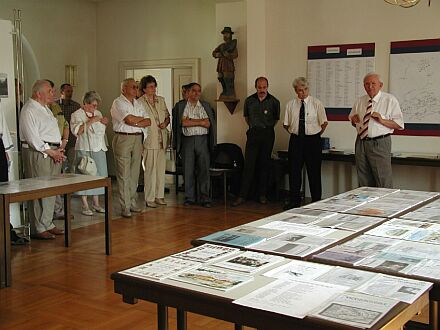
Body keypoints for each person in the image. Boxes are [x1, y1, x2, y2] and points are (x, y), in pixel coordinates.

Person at [19, 80, 65, 239]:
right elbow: (33, 138)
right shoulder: (29, 110)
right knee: (39, 189)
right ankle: (38, 227)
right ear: (39, 93)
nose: (53, 94)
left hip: (52, 152)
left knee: (51, 190)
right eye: (50, 91)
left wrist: (58, 149)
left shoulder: (46, 108)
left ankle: (48, 222)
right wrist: (51, 152)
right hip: (38, 153)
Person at [349, 72, 404, 188]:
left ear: (380, 85)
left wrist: (382, 120)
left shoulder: (389, 100)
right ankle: (367, 206)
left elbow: (399, 124)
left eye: (373, 83)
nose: (370, 87)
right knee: (363, 179)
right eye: (367, 84)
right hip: (361, 142)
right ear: (364, 86)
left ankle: (384, 206)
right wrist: (353, 120)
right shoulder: (360, 101)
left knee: (382, 179)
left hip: (379, 143)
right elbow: (354, 122)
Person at [232, 77, 280, 206]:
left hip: (267, 133)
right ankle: (242, 196)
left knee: (264, 164)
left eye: (264, 87)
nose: (262, 90)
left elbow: (276, 119)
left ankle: (262, 195)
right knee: (249, 165)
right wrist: (255, 127)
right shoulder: (249, 101)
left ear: (268, 86)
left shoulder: (274, 101)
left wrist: (266, 127)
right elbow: (247, 118)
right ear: (255, 87)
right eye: (259, 87)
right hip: (253, 133)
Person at [283, 77, 328, 209]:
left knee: (314, 172)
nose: (301, 93)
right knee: (294, 171)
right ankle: (294, 201)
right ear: (295, 91)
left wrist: (314, 135)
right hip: (296, 140)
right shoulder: (290, 104)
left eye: (303, 90)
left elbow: (324, 123)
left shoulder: (316, 103)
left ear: (307, 89)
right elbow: (286, 124)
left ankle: (316, 201)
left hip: (313, 140)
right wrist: (297, 133)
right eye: (299, 91)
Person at [111, 78, 151, 218]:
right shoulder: (118, 102)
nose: (136, 89)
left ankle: (132, 202)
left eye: (136, 87)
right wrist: (136, 121)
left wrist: (135, 122)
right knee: (124, 174)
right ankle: (125, 206)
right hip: (123, 138)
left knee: (135, 173)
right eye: (133, 87)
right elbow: (128, 120)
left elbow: (148, 121)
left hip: (137, 139)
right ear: (124, 89)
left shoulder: (138, 103)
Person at [174, 83, 216, 207]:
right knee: (188, 169)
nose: (197, 93)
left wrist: (191, 121)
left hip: (203, 140)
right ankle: (189, 197)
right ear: (188, 92)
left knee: (204, 169)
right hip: (187, 140)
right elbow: (183, 123)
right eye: (194, 91)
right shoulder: (181, 106)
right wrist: (200, 122)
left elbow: (208, 124)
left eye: (199, 91)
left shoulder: (205, 106)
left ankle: (205, 198)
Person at [71, 91, 108, 215]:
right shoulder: (76, 114)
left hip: (99, 147)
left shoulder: (98, 113)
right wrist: (91, 121)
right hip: (84, 148)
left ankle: (96, 203)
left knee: (99, 175)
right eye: (93, 105)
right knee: (85, 175)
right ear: (85, 104)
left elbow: (101, 130)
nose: (95, 108)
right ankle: (85, 205)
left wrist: (103, 122)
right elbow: (78, 131)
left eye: (96, 105)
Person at [138, 76, 170, 208]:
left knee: (161, 169)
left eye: (154, 86)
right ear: (144, 89)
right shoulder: (140, 102)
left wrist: (165, 123)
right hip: (149, 140)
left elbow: (168, 116)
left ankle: (159, 196)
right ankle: (149, 198)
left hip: (162, 139)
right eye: (150, 87)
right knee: (150, 170)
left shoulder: (161, 100)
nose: (153, 89)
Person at [46, 80, 70, 220]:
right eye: (50, 91)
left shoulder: (55, 107)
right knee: (47, 182)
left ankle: (58, 209)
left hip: (59, 147)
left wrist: (64, 143)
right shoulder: (38, 109)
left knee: (57, 180)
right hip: (47, 149)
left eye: (53, 91)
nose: (53, 94)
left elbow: (65, 124)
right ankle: (50, 214)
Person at [58, 83, 81, 173]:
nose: (70, 93)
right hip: (59, 139)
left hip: (72, 139)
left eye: (71, 91)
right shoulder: (55, 105)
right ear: (61, 92)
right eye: (67, 91)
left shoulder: (76, 106)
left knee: (72, 163)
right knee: (59, 164)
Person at [212, 27, 238, 99]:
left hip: (228, 65)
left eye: (227, 34)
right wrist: (217, 54)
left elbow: (235, 55)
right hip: (220, 65)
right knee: (221, 78)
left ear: (230, 35)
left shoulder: (232, 45)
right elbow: (214, 52)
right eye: (224, 34)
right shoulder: (222, 46)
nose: (225, 35)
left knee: (227, 78)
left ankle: (229, 92)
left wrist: (228, 55)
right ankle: (225, 91)